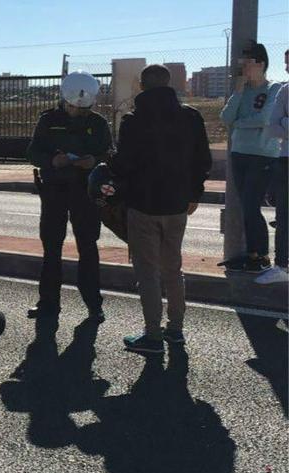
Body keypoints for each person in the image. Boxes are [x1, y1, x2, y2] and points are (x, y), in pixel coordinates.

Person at [113, 64, 212, 355]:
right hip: (178, 205)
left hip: (143, 205)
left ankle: (152, 335)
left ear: (142, 86)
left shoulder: (134, 120)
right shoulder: (191, 116)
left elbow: (124, 164)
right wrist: (194, 193)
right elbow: (202, 159)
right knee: (173, 268)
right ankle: (176, 330)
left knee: (147, 272)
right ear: (169, 85)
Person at [26, 71, 112, 322]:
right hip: (54, 191)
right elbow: (33, 153)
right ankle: (48, 304)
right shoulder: (48, 120)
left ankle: (94, 304)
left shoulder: (97, 123)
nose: (78, 112)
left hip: (85, 193)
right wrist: (53, 160)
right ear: (65, 99)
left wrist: (94, 160)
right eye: (74, 108)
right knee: (51, 248)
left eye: (83, 109)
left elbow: (109, 152)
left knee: (88, 247)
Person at [220, 43, 283, 273]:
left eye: (248, 63)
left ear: (261, 64)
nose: (244, 68)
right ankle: (253, 254)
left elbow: (265, 119)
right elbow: (226, 116)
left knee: (250, 204)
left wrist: (239, 123)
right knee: (246, 205)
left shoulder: (275, 88)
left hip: (263, 155)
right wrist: (237, 91)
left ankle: (261, 256)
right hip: (239, 154)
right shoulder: (242, 90)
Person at [257, 48, 289, 284]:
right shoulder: (286, 90)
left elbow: (279, 124)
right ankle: (282, 265)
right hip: (285, 159)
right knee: (284, 215)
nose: (286, 68)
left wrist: (285, 121)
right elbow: (271, 126)